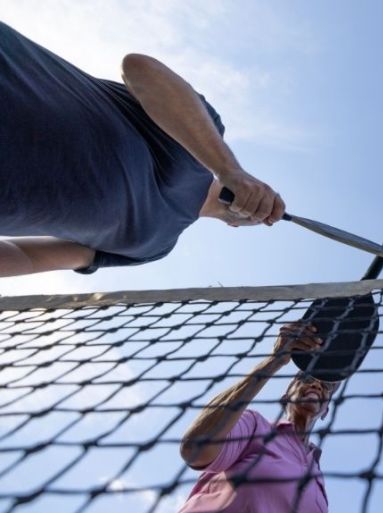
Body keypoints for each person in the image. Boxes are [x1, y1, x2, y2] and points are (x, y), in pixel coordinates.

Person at [0, 22, 285, 277]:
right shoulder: (203, 134)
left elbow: (27, 256)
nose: (261, 210)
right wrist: (229, 169)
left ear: (235, 227)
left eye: (265, 218)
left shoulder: (153, 248)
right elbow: (139, 68)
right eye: (268, 201)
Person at [178, 322, 337, 513]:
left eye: (326, 387)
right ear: (285, 398)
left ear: (326, 411)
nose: (317, 385)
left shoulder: (318, 480)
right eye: (306, 379)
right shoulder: (254, 426)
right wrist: (274, 360)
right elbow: (195, 449)